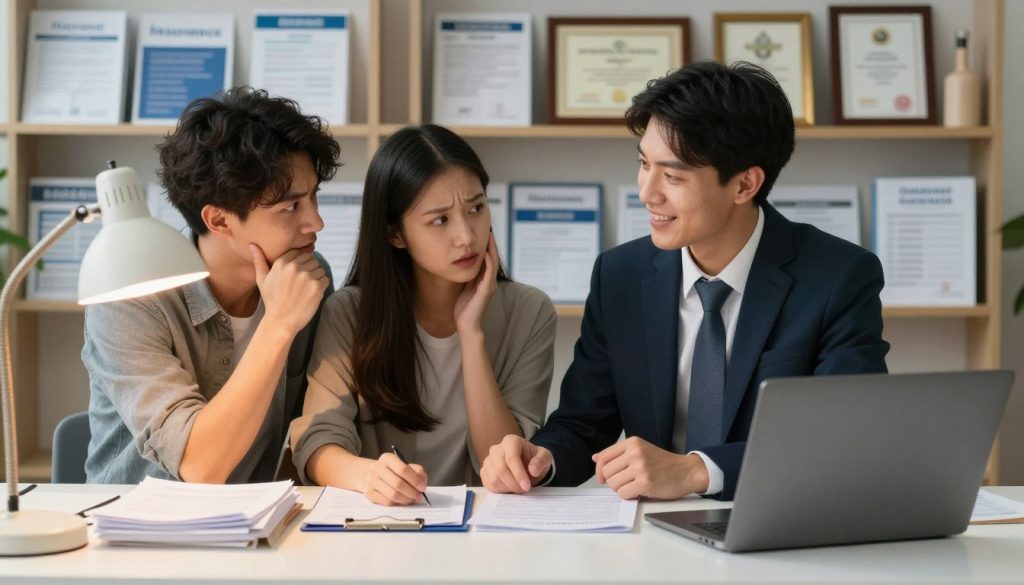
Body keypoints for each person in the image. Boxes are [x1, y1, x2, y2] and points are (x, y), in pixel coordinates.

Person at [480, 61, 890, 501]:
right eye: (643, 164)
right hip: (653, 540)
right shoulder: (619, 276)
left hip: (781, 525)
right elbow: (583, 422)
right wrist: (541, 461)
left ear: (745, 184)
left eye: (673, 176)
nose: (646, 192)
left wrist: (698, 472)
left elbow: (842, 436)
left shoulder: (837, 278)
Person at [83, 88, 340, 484]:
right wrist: (279, 325)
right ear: (219, 221)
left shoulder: (306, 275)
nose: (316, 223)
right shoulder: (133, 300)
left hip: (254, 527)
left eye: (313, 198)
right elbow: (200, 465)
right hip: (138, 532)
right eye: (290, 207)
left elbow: (305, 430)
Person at [290, 124, 556, 505]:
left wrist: (471, 333)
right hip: (381, 531)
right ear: (395, 234)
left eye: (477, 208)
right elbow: (317, 443)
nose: (467, 235)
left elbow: (499, 466)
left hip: (489, 533)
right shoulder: (350, 312)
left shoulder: (530, 312)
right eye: (440, 220)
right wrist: (368, 476)